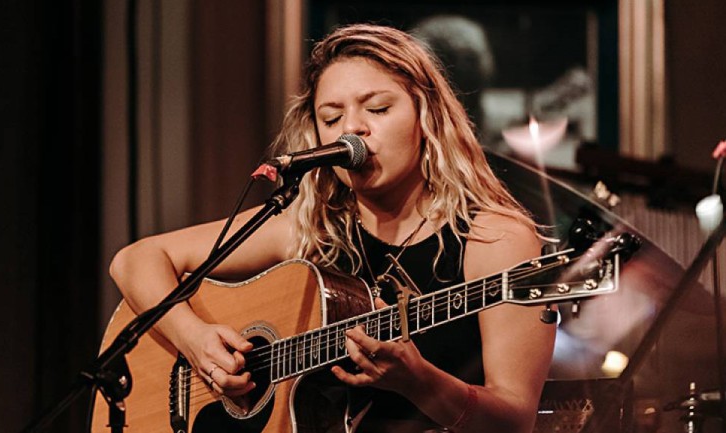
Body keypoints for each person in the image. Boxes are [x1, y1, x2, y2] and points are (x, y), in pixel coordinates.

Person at [110, 23, 556, 433]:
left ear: (427, 116)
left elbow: (515, 419)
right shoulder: (311, 228)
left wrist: (421, 384)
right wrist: (196, 341)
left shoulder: (494, 239)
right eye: (331, 118)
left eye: (377, 109)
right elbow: (134, 260)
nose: (352, 131)